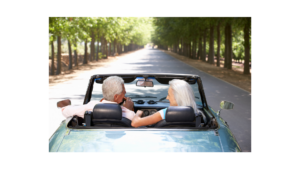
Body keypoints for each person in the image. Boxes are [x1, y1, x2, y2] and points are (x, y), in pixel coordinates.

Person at [131, 79, 201, 128]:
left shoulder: (166, 113)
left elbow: (135, 123)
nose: (167, 98)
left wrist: (138, 112)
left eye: (169, 95)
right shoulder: (196, 114)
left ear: (177, 97)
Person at [61, 76, 135, 120]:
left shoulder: (90, 107)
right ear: (116, 97)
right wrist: (129, 109)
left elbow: (64, 110)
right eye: (124, 92)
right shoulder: (129, 114)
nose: (125, 94)